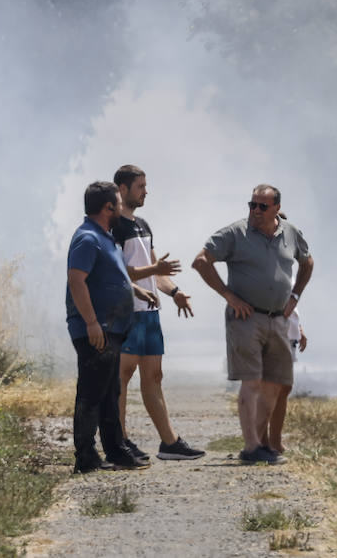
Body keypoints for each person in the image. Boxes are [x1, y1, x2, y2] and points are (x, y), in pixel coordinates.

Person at [192, 184, 314, 465]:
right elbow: (201, 261)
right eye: (252, 205)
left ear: (277, 209)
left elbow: (307, 263)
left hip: (279, 318)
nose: (255, 211)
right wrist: (228, 295)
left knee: (276, 383)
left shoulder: (291, 233)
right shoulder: (236, 233)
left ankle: (259, 445)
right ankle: (251, 447)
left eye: (262, 206)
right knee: (253, 381)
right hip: (246, 318)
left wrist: (295, 296)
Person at [112, 164, 206, 462]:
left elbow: (156, 271)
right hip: (126, 311)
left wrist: (175, 292)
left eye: (145, 186)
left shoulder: (143, 225)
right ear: (123, 189)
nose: (146, 191)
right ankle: (120, 441)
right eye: (140, 186)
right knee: (122, 376)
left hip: (150, 312)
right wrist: (155, 272)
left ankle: (169, 442)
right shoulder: (115, 226)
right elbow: (117, 272)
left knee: (154, 376)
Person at [65, 180, 155, 473]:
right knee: (92, 393)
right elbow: (77, 280)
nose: (121, 208)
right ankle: (86, 457)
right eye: (118, 203)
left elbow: (112, 278)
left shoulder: (105, 238)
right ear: (108, 207)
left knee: (109, 391)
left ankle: (116, 451)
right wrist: (91, 322)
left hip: (112, 328)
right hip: (96, 329)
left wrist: (136, 292)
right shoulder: (87, 239)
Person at [265, 309, 308, 454]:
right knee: (267, 387)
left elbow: (288, 297)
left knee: (284, 387)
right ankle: (261, 442)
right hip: (267, 327)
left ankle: (275, 441)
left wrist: (298, 328)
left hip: (288, 332)